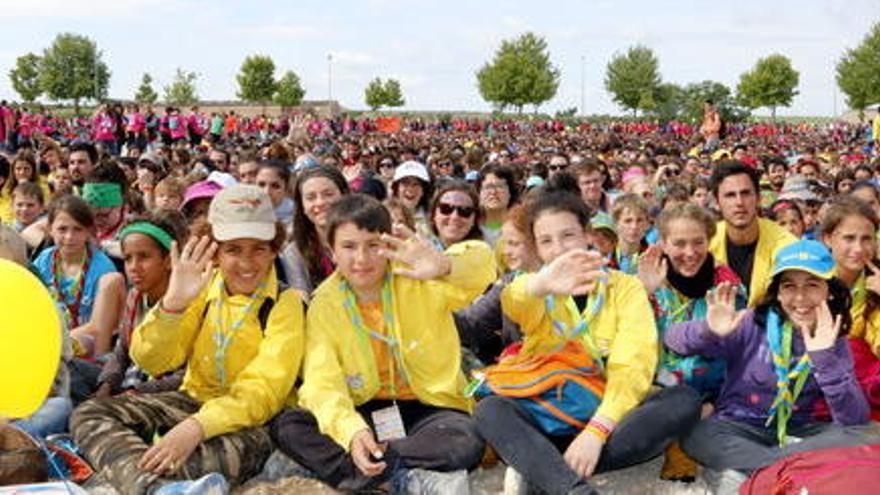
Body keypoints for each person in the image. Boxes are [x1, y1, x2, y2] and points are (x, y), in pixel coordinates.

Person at [70, 184, 305, 493]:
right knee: (88, 414)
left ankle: (137, 480)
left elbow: (263, 392)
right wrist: (172, 306)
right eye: (233, 249)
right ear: (215, 251)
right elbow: (151, 359)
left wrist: (196, 428)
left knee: (176, 461)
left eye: (258, 248)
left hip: (255, 422)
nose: (247, 263)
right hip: (192, 400)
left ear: (274, 248)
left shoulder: (285, 304)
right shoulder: (203, 285)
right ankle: (155, 488)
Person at [473, 182, 700, 495]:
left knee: (683, 400)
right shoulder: (534, 287)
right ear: (536, 248)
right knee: (490, 410)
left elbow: (633, 364)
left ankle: (543, 469)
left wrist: (597, 430)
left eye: (568, 236)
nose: (560, 249)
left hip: (610, 416)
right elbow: (514, 300)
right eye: (546, 241)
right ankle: (573, 487)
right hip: (549, 411)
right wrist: (542, 284)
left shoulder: (624, 287)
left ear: (588, 235)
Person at [270, 194, 496, 492]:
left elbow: (484, 264)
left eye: (373, 246)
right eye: (349, 247)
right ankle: (395, 475)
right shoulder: (324, 303)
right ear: (332, 251)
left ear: (387, 245)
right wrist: (351, 432)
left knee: (465, 439)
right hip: (363, 408)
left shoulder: (417, 276)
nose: (361, 259)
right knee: (288, 426)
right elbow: (321, 382)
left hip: (426, 406)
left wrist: (444, 265)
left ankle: (364, 473)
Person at [667, 240, 878, 491]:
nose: (800, 297)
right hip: (736, 426)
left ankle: (759, 472)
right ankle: (791, 468)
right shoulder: (751, 322)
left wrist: (825, 360)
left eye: (812, 285)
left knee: (871, 433)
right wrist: (708, 330)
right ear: (778, 292)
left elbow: (854, 419)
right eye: (789, 286)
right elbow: (673, 340)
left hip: (800, 429)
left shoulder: (833, 336)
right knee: (697, 436)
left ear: (828, 290)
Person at [95, 211, 189, 398]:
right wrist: (105, 387)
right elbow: (122, 351)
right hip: (130, 378)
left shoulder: (186, 302)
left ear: (168, 260)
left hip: (161, 393)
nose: (133, 267)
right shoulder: (135, 295)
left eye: (144, 257)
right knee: (71, 368)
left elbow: (186, 374)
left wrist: (134, 393)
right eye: (128, 258)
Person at [31, 195, 125, 357]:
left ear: (89, 231)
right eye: (62, 229)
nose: (69, 237)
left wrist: (54, 341)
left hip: (86, 347)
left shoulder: (104, 270)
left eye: (78, 229)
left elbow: (98, 328)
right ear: (50, 229)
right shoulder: (43, 261)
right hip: (48, 342)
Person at [708, 161, 796, 306]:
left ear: (758, 198)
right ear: (717, 202)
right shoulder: (705, 243)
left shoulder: (787, 246)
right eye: (730, 195)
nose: (739, 202)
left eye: (746, 193)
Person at [283, 165, 349, 296]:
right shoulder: (295, 253)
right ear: (302, 206)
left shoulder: (367, 237)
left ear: (344, 195)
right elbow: (303, 301)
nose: (320, 202)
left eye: (328, 194)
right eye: (311, 197)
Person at [429, 180, 483, 249]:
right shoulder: (416, 250)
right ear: (434, 214)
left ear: (474, 220)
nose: (455, 217)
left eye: (465, 211)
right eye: (446, 208)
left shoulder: (483, 254)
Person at [477, 164, 518, 247]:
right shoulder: (468, 226)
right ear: (479, 192)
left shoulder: (520, 226)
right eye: (488, 187)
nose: (493, 192)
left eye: (500, 186)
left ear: (510, 192)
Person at [610, 193, 651, 274]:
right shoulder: (604, 257)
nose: (634, 226)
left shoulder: (653, 257)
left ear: (647, 224)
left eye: (639, 220)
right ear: (616, 224)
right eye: (628, 221)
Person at [390, 160, 432, 233]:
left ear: (423, 191)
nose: (410, 189)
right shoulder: (384, 214)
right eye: (405, 184)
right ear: (396, 188)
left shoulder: (433, 218)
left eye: (416, 184)